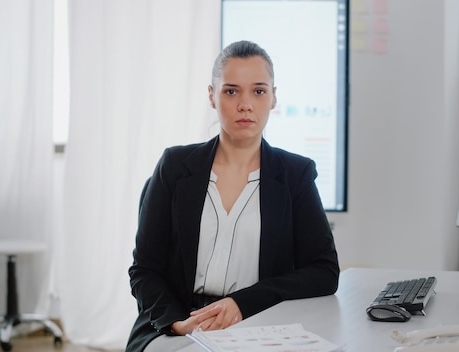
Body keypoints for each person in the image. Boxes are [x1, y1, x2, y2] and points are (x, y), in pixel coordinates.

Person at [125, 40, 340, 352]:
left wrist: (243, 302)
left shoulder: (295, 174)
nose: (245, 104)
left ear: (274, 97)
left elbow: (324, 271)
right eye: (231, 91)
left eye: (258, 90)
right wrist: (176, 323)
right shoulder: (174, 166)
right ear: (211, 96)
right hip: (178, 325)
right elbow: (144, 270)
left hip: (257, 320)